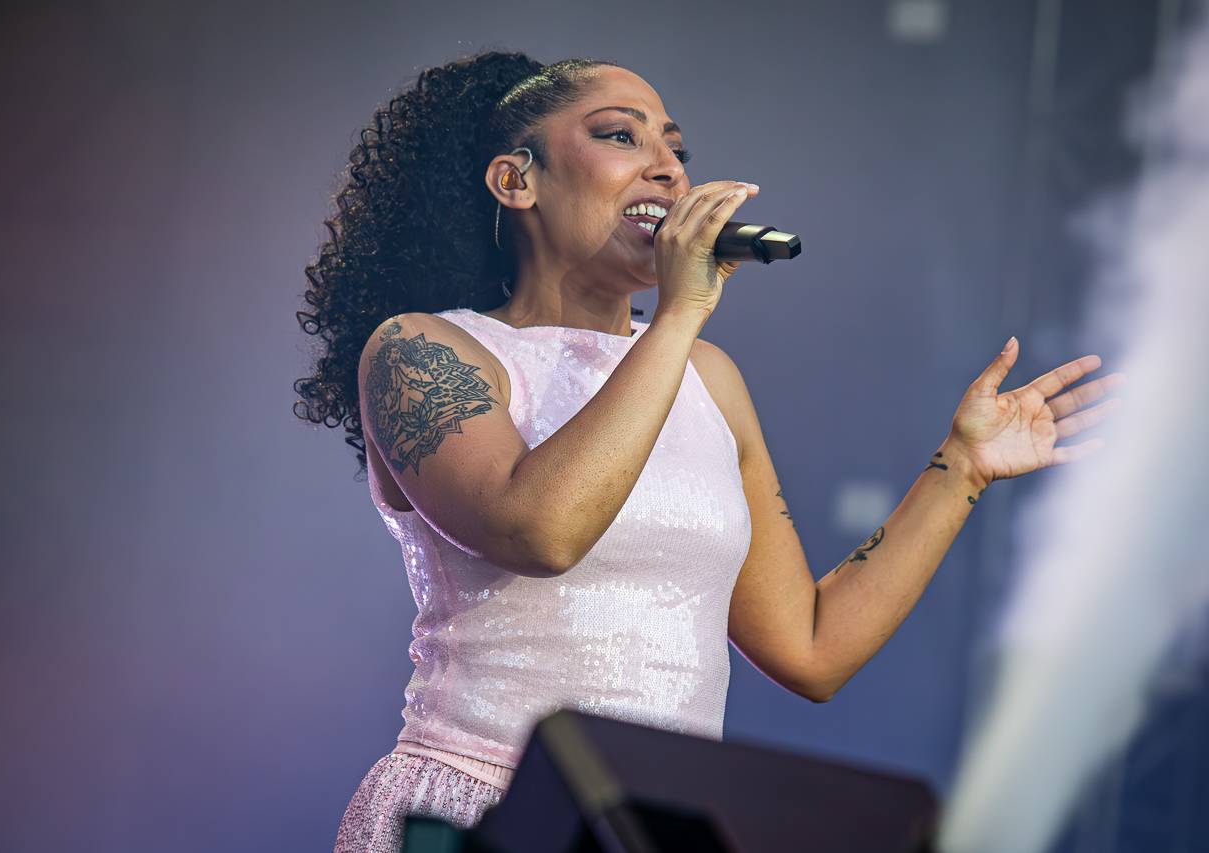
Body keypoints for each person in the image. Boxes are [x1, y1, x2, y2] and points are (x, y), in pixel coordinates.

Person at [294, 50, 1123, 853]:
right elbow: (540, 530)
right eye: (621, 136)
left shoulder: (709, 379)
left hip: (655, 825)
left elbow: (810, 647)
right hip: (481, 810)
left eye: (676, 149)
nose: (666, 168)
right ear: (517, 181)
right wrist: (680, 313)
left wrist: (961, 467)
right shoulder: (422, 349)